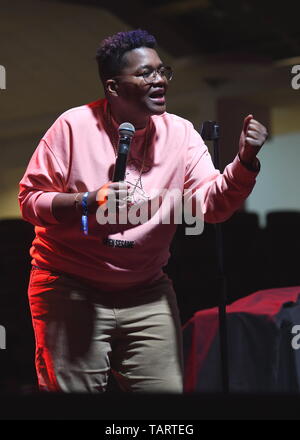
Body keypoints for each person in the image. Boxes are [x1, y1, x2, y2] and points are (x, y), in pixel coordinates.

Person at [18, 29, 268, 393]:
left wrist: (244, 161)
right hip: (70, 289)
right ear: (113, 88)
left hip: (146, 291)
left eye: (162, 71)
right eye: (145, 73)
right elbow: (30, 201)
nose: (159, 80)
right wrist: (87, 201)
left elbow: (210, 206)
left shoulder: (181, 134)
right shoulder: (72, 126)